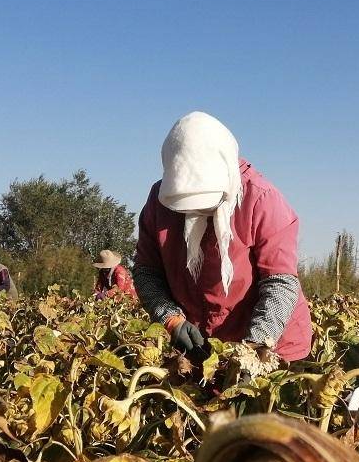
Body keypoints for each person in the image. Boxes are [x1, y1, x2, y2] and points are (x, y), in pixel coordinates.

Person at [133, 111, 312, 362]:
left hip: (271, 345)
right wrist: (171, 319)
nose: (198, 212)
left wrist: (253, 353)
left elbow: (280, 283)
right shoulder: (161, 202)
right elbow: (146, 271)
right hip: (202, 343)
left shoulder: (260, 199)